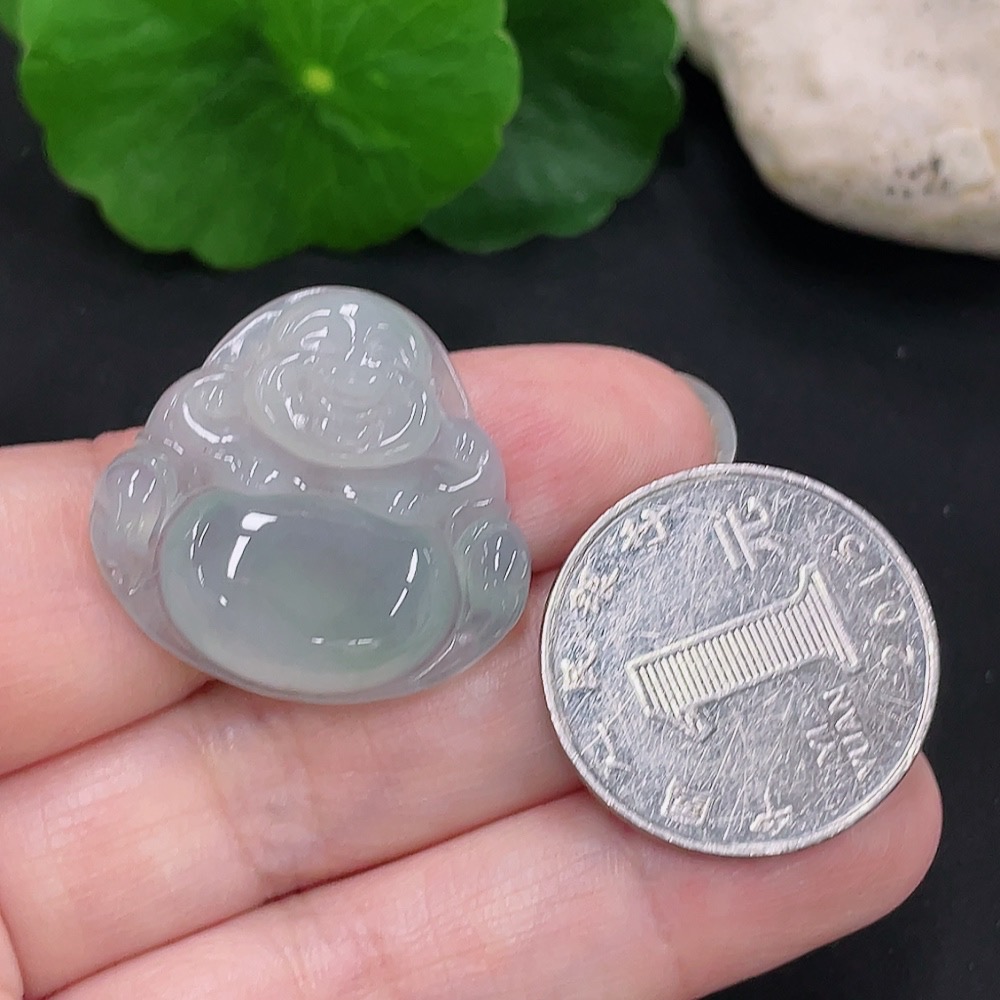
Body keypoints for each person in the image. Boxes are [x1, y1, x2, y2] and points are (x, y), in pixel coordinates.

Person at [0, 345, 940, 999]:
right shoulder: (218, 450)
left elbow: (464, 550)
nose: (345, 394)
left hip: (376, 586)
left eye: (372, 383)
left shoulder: (437, 483)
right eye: (318, 379)